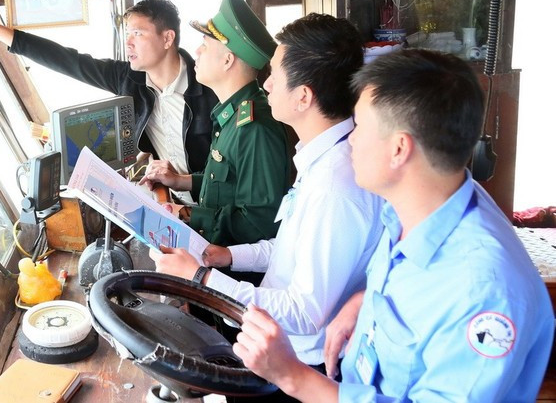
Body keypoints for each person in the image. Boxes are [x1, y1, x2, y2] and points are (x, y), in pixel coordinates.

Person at [234, 49, 554, 402]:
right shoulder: (424, 203)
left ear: (400, 148)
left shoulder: (483, 289)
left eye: (360, 127)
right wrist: (363, 299)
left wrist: (292, 377)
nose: (351, 139)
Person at [152, 14, 384, 402]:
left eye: (275, 74)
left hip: (300, 364)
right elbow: (287, 245)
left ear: (304, 96)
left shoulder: (335, 186)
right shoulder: (320, 160)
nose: (267, 83)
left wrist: (201, 279)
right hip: (277, 345)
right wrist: (224, 256)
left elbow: (305, 310)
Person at [0, 0, 218, 191]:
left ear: (167, 38)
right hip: (171, 202)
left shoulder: (209, 86)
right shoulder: (128, 80)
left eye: (138, 34)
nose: (128, 43)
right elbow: (66, 60)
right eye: (127, 34)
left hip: (215, 202)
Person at [141, 0, 292, 248]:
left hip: (236, 274)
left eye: (205, 45)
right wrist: (180, 180)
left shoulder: (254, 129)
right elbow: (226, 185)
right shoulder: (230, 114)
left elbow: (258, 224)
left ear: (227, 60)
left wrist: (187, 214)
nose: (196, 52)